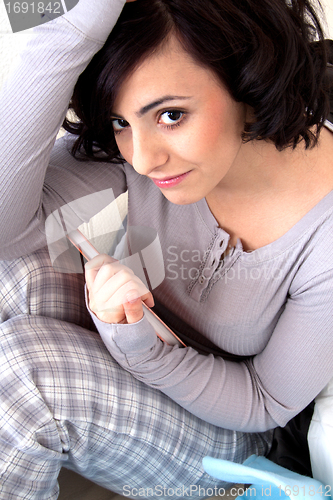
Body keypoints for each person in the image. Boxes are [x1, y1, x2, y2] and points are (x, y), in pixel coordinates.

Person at [0, 0, 332, 498]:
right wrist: (67, 34)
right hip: (140, 336)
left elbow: (266, 400)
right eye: (120, 121)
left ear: (244, 78)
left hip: (239, 431)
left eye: (171, 115)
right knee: (15, 276)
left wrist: (139, 348)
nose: (144, 157)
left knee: (23, 382)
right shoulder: (130, 157)